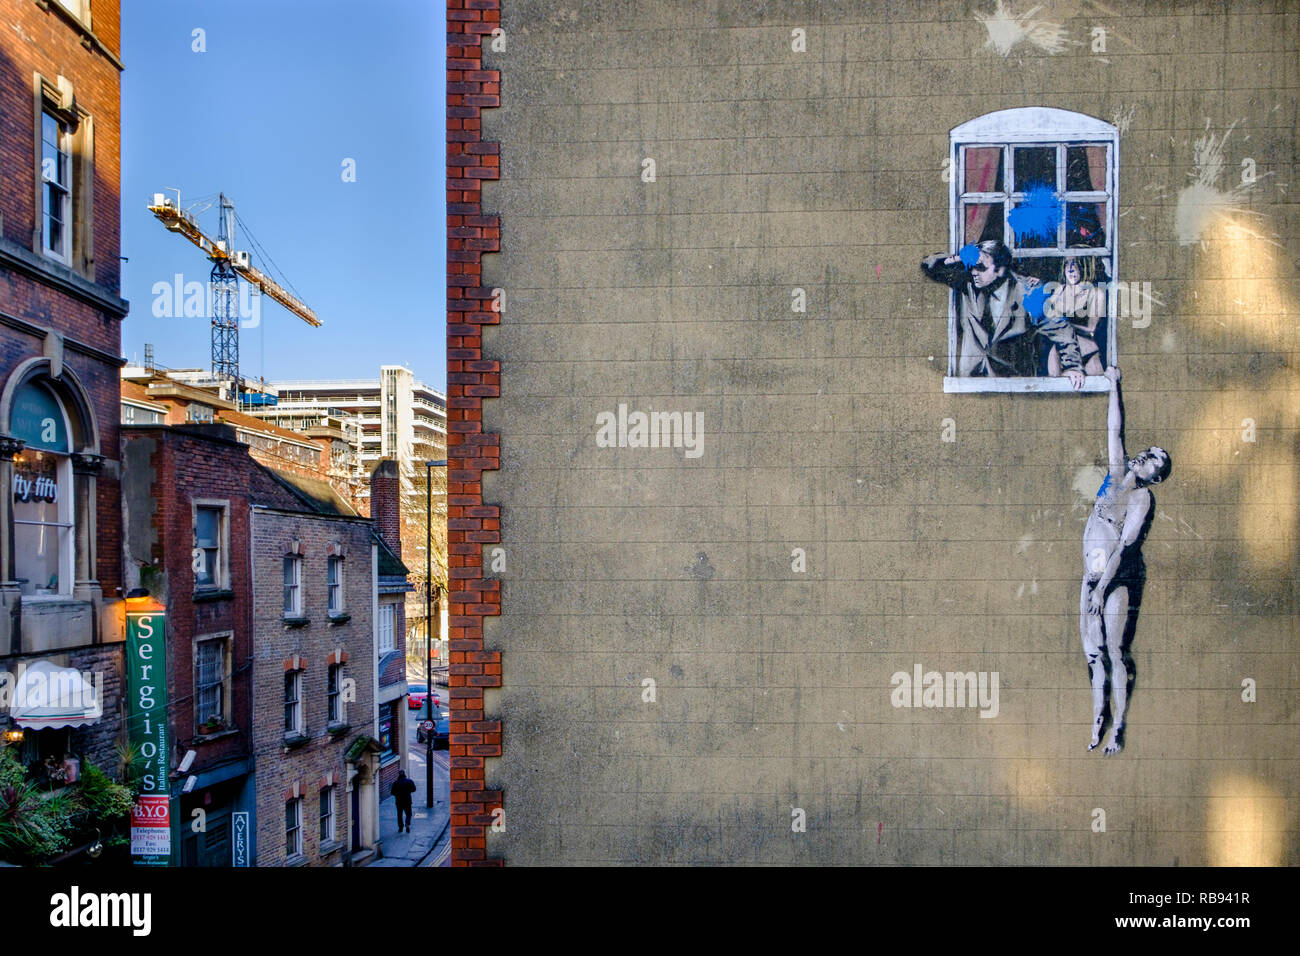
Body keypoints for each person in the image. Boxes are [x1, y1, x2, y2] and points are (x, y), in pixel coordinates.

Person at [1081, 366, 1170, 755]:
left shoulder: (1142, 500)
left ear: (1155, 476)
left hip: (1115, 582)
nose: (1144, 455)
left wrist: (1102, 588)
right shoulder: (1115, 475)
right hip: (1091, 578)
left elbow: (1124, 549)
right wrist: (1114, 384)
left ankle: (1119, 725)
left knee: (1115, 651)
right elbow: (1114, 430)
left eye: (1153, 458)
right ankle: (1099, 715)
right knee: (1092, 652)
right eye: (1147, 451)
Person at [921, 239, 1085, 386]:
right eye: (972, 267)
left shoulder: (1027, 292)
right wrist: (958, 258)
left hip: (1014, 386)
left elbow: (1062, 330)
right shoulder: (968, 284)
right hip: (971, 383)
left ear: (1000, 269)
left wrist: (1073, 367)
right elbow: (929, 266)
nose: (974, 272)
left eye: (981, 267)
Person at [1046, 255, 1107, 377]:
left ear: (1085, 266)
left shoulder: (1095, 293)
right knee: (1058, 392)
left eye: (1075, 264)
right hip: (1060, 352)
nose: (1070, 269)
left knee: (1094, 392)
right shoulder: (1059, 290)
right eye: (1067, 264)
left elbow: (1091, 329)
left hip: (1087, 351)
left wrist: (1063, 324)